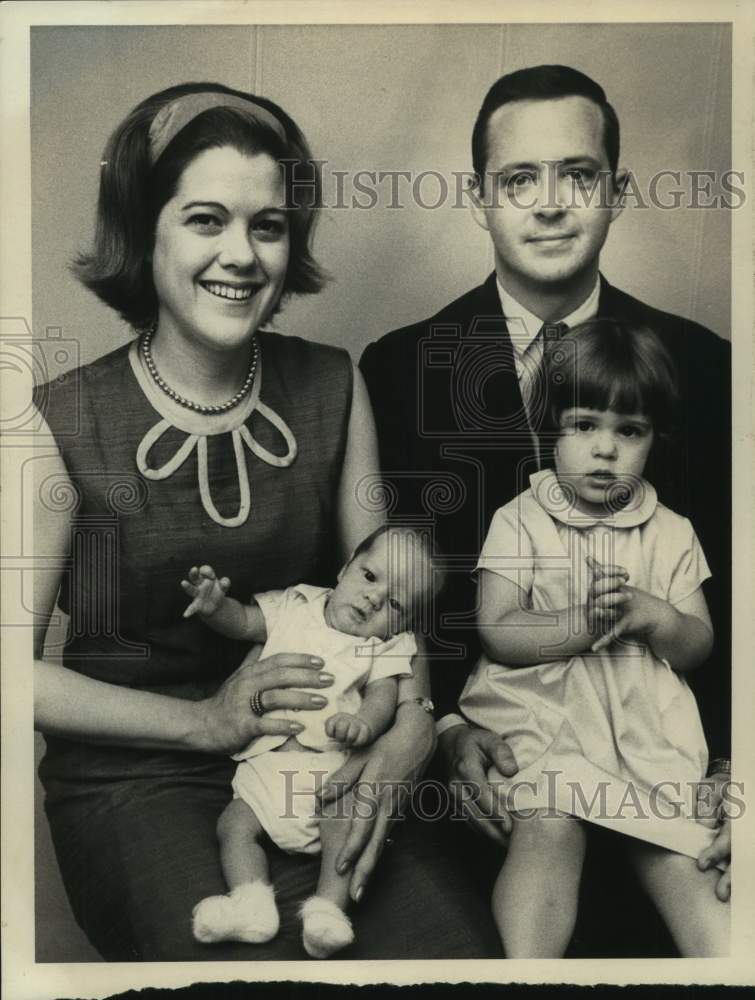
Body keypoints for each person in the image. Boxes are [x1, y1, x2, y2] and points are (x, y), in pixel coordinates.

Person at [32, 82, 500, 961]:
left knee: (455, 958)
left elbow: (390, 591)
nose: (241, 255)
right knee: (247, 974)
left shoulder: (333, 383)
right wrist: (206, 724)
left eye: (269, 226)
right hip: (139, 777)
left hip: (325, 750)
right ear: (145, 232)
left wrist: (411, 728)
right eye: (205, 220)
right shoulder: (53, 418)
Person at [360, 64, 732, 951]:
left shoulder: (705, 364)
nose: (550, 204)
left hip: (670, 758)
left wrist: (728, 760)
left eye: (580, 175)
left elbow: (734, 595)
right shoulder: (399, 367)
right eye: (518, 179)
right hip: (486, 767)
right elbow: (389, 592)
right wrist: (446, 730)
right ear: (477, 198)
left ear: (617, 191)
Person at [461, 320, 728, 957]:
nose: (605, 450)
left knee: (678, 851)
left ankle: (723, 963)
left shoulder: (671, 531)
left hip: (642, 730)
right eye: (584, 426)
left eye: (628, 431)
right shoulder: (520, 519)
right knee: (549, 830)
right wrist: (582, 626)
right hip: (547, 714)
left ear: (654, 438)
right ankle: (530, 969)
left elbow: (697, 643)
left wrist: (657, 617)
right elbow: (498, 629)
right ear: (550, 428)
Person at [180, 526, 437, 958]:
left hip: (330, 775)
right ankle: (251, 903)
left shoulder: (385, 647)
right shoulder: (294, 605)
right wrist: (214, 607)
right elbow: (244, 622)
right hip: (267, 767)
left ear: (405, 622)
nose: (374, 598)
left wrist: (363, 726)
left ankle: (326, 912)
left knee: (344, 831)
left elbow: (383, 697)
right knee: (235, 827)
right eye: (370, 577)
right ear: (344, 567)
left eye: (395, 603)